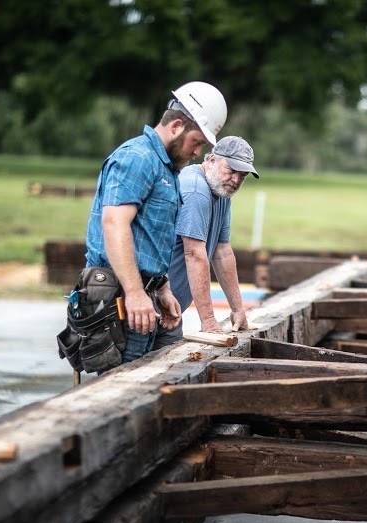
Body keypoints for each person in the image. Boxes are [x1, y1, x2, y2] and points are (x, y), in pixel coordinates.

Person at [84, 81, 228, 364]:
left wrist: (162, 288)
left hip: (146, 297)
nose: (197, 152)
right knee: (124, 391)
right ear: (176, 127)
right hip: (121, 298)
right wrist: (135, 293)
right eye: (196, 142)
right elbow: (114, 224)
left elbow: (150, 236)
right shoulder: (137, 158)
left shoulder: (168, 169)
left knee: (160, 379)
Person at [153, 136, 259, 350]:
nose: (236, 180)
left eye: (243, 175)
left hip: (171, 312)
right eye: (231, 170)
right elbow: (194, 254)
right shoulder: (195, 189)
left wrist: (238, 309)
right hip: (149, 306)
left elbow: (222, 252)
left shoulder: (222, 192)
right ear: (211, 160)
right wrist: (209, 322)